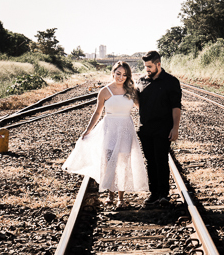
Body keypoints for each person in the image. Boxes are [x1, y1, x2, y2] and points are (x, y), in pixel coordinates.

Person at [62, 61, 148, 209]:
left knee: (123, 164)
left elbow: (142, 109)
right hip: (109, 129)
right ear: (113, 72)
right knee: (109, 163)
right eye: (118, 73)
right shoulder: (105, 91)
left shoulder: (131, 91)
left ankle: (121, 198)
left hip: (126, 129)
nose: (121, 77)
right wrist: (88, 130)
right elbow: (97, 112)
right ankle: (110, 195)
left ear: (128, 77)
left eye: (124, 75)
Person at [137, 50, 182, 207]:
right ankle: (154, 194)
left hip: (163, 128)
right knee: (150, 162)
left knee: (161, 160)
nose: (147, 69)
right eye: (145, 67)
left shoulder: (171, 82)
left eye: (149, 66)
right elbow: (138, 103)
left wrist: (175, 128)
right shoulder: (141, 81)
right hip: (145, 129)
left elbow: (176, 107)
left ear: (158, 64)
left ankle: (163, 195)